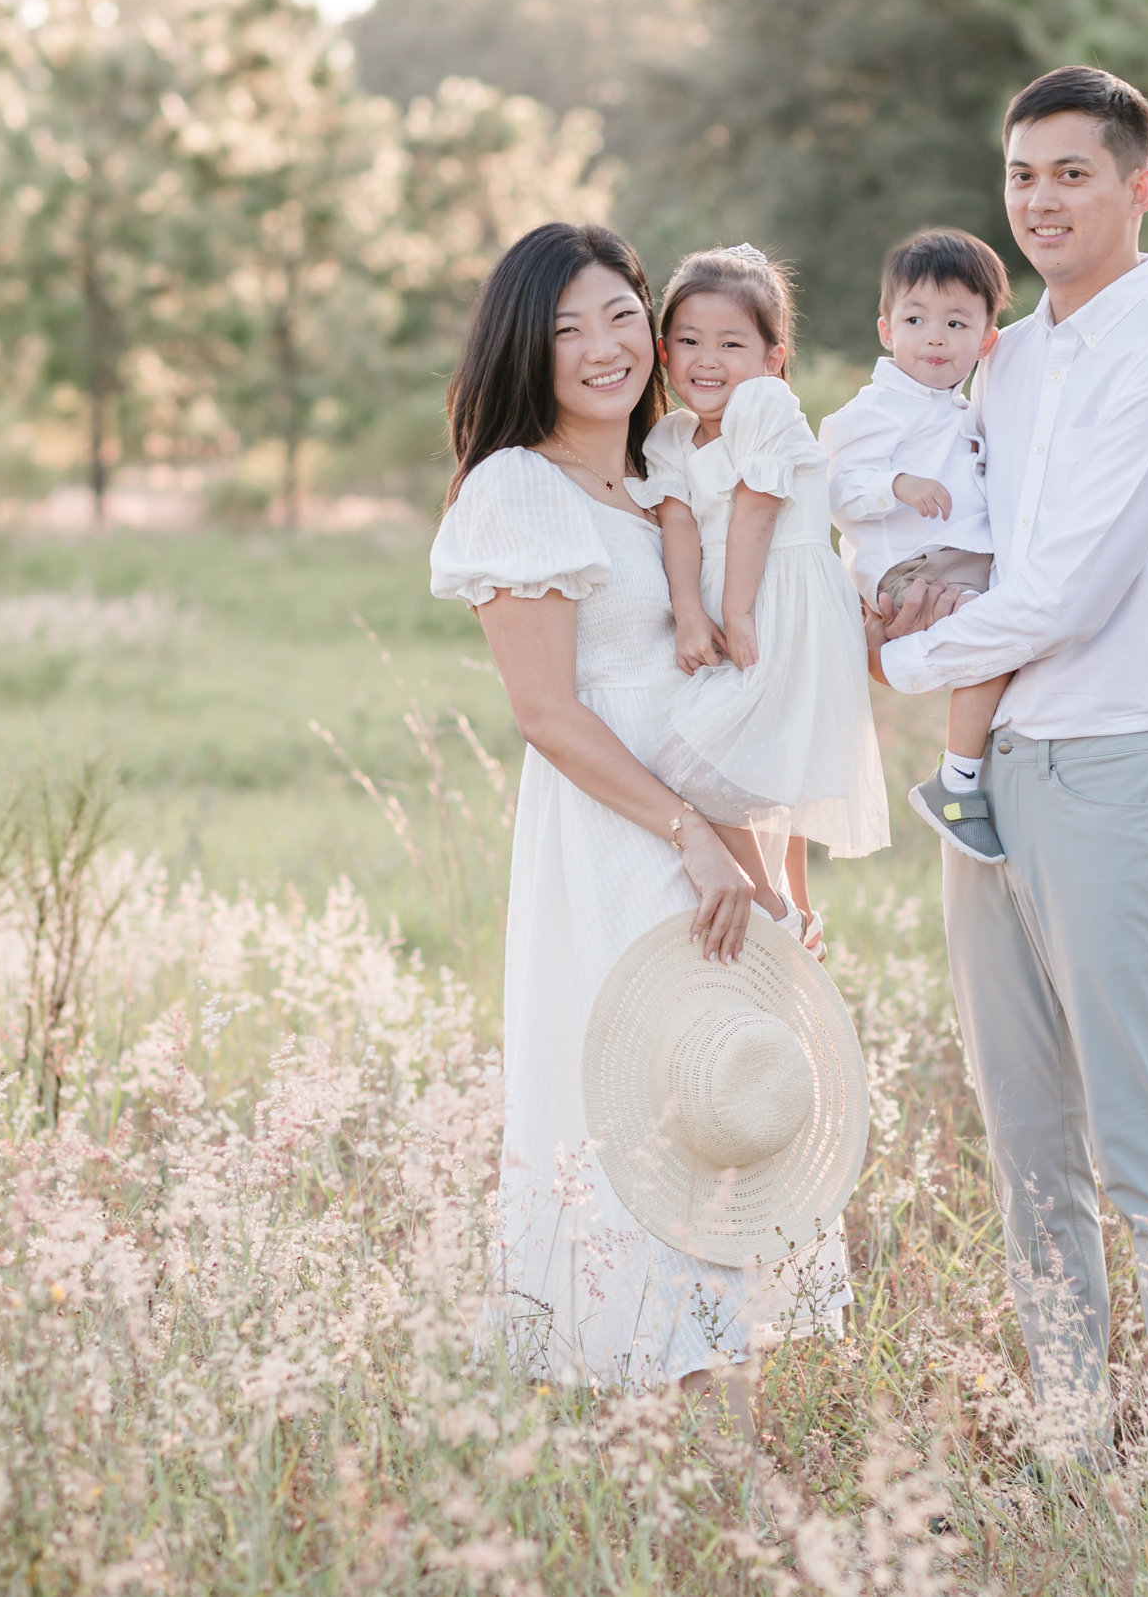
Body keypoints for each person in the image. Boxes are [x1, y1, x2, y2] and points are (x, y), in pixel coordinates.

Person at [869, 68, 1148, 1479]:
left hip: (1109, 769)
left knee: (1141, 1141)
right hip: (993, 779)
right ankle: (1070, 1444)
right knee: (1025, 1139)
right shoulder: (1001, 358)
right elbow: (966, 542)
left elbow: (1067, 591)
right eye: (1021, 174)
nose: (1038, 199)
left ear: (1136, 186)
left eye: (1070, 173)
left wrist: (895, 669)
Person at [427, 222, 849, 1436]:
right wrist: (687, 834)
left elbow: (751, 695)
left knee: (730, 1111)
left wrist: (780, 861)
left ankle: (723, 1455)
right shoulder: (521, 487)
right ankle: (650, 1449)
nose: (605, 347)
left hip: (723, 843)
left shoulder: (676, 477)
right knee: (637, 1116)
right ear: (526, 347)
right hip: (624, 846)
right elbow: (548, 713)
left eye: (621, 314)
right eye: (566, 327)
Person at [632, 245, 890, 946]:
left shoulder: (764, 405)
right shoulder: (671, 437)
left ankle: (772, 907)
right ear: (662, 351)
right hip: (724, 604)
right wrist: (691, 613)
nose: (706, 359)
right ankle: (795, 913)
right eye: (687, 341)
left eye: (731, 343)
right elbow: (677, 525)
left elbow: (756, 507)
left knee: (693, 757)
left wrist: (736, 611)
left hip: (782, 602)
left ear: (774, 357)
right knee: (755, 763)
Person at [821, 227, 1015, 865]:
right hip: (911, 571)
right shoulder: (878, 408)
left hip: (963, 563)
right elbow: (838, 488)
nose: (935, 336)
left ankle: (966, 771)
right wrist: (896, 485)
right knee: (998, 638)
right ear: (886, 331)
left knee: (1010, 640)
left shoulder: (968, 409)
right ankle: (958, 781)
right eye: (916, 318)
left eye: (957, 322)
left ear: (986, 341)